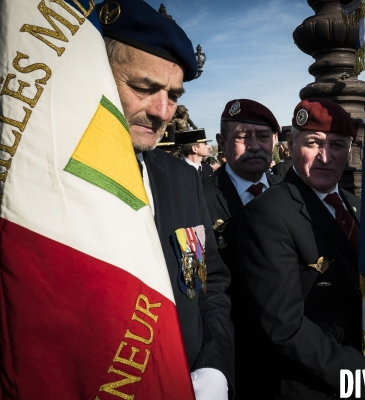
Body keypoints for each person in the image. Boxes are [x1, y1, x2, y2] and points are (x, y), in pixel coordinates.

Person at [97, 1, 234, 399]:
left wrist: (214, 368)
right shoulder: (49, 178)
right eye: (142, 88)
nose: (161, 111)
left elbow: (213, 283)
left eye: (173, 95)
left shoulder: (179, 177)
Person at [237, 98, 365, 399]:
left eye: (338, 145)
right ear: (291, 143)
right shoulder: (269, 214)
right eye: (314, 143)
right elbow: (285, 327)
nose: (326, 157)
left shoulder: (357, 206)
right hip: (318, 385)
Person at [202, 98, 281, 398]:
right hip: (232, 353)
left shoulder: (289, 192)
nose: (254, 145)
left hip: (287, 359)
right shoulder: (200, 199)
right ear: (222, 142)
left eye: (263, 137)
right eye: (242, 137)